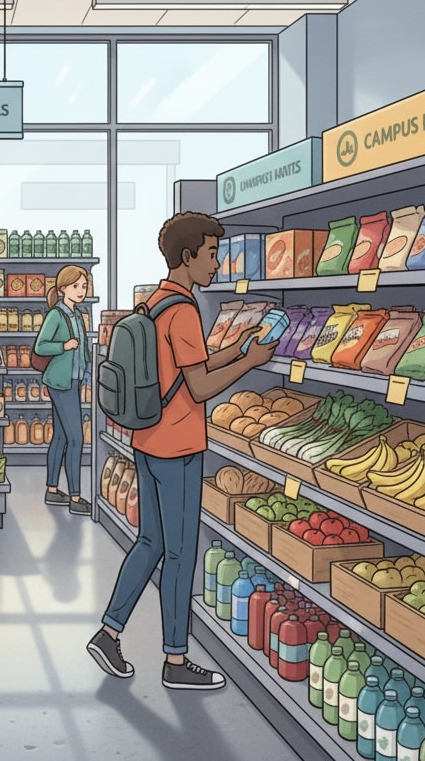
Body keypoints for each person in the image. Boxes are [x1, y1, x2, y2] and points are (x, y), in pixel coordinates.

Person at [87, 212, 275, 690]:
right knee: (180, 553)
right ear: (187, 256)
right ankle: (175, 660)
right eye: (211, 254)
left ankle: (108, 632)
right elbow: (200, 386)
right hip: (180, 446)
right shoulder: (186, 310)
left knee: (149, 542)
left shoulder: (156, 302)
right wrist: (251, 363)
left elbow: (187, 365)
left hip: (147, 440)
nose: (217, 263)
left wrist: (236, 349)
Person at [34, 265, 91, 516]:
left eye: (84, 286)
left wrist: (87, 370)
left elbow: (84, 348)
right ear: (63, 288)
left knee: (60, 437)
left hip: (73, 381)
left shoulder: (78, 315)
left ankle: (52, 489)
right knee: (76, 439)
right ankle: (75, 497)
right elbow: (40, 346)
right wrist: (64, 345)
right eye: (76, 286)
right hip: (60, 382)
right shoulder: (56, 315)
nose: (81, 291)